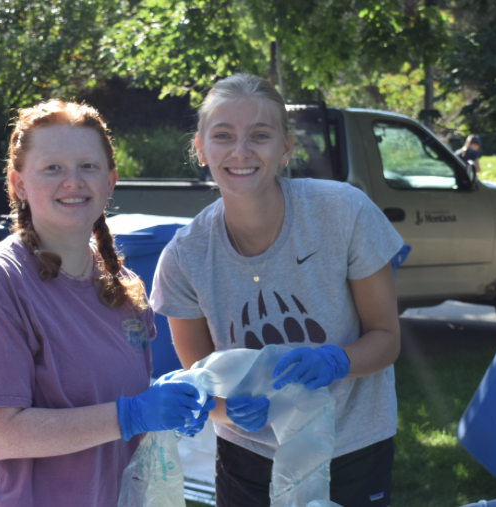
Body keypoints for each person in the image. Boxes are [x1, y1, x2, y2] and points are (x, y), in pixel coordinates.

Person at [151, 74, 404, 507]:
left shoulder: (344, 212)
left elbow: (386, 339)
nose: (241, 151)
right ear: (200, 148)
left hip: (352, 446)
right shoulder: (185, 256)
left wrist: (337, 360)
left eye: (260, 135)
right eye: (223, 136)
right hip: (249, 453)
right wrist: (228, 410)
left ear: (286, 147)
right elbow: (200, 377)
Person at [0, 100, 214, 507]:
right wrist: (131, 414)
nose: (73, 181)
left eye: (88, 166)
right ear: (19, 184)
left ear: (110, 182)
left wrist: (168, 399)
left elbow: (116, 406)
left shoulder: (124, 286)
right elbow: (0, 436)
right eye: (52, 168)